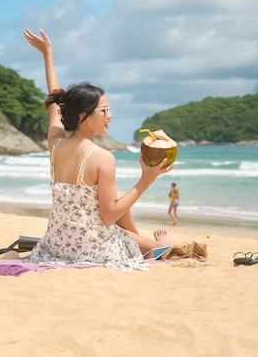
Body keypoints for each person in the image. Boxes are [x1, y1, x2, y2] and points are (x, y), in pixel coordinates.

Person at [22, 28, 173, 271]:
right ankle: (154, 248)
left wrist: (47, 55)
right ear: (83, 116)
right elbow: (109, 216)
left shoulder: (55, 143)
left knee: (119, 192)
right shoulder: (103, 158)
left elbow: (55, 100)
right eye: (103, 110)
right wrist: (147, 178)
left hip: (57, 244)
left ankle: (145, 244)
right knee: (119, 208)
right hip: (89, 249)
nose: (109, 115)